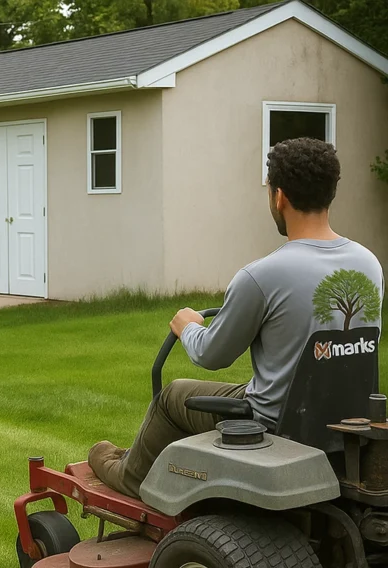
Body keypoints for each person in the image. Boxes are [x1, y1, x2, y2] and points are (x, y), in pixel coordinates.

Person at [89, 137, 384, 499]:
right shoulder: (369, 264)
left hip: (274, 422)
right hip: (346, 418)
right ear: (331, 193)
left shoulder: (262, 276)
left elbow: (214, 356)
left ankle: (130, 477)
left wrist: (189, 328)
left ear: (279, 196)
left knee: (171, 396)